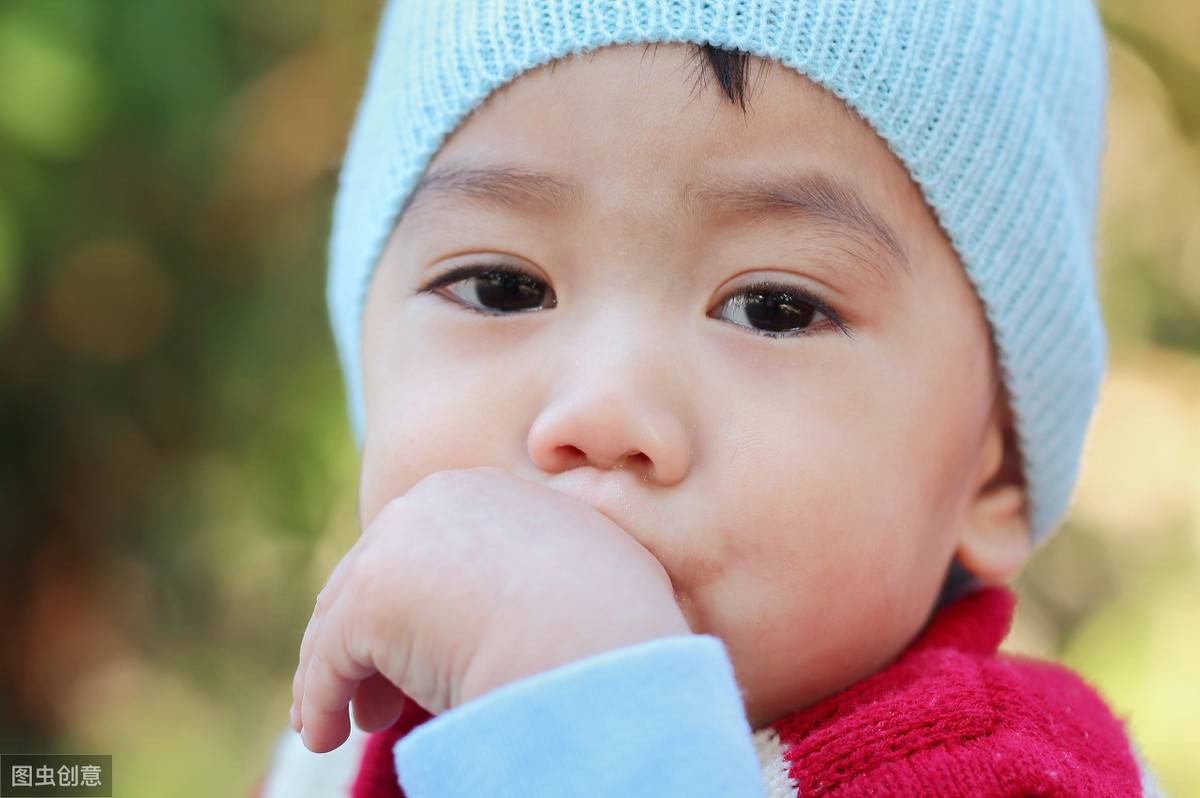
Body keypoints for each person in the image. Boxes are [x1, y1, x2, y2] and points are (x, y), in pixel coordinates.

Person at [256, 1, 1164, 795]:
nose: (602, 412)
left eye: (775, 309)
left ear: (991, 471)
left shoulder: (1006, 767)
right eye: (501, 287)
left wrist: (587, 715)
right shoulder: (337, 749)